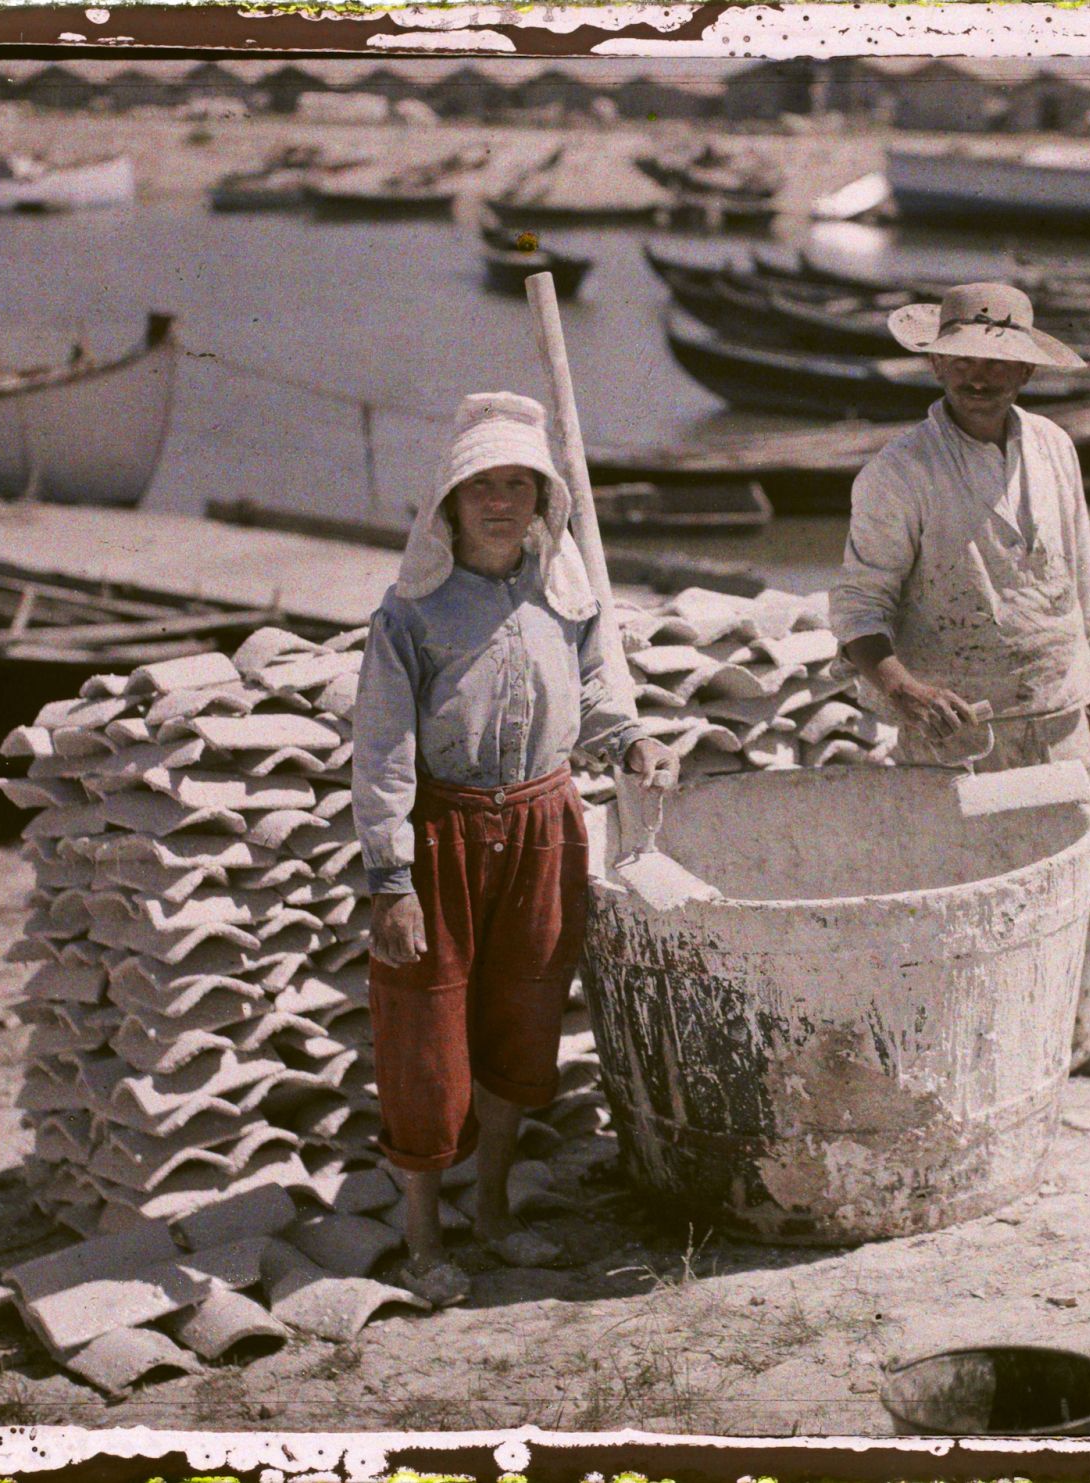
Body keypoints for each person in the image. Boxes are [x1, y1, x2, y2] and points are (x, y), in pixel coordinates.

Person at [353, 391, 680, 1307]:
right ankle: (424, 1239)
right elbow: (381, 746)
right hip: (443, 833)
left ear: (543, 501)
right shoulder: (409, 615)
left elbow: (601, 693)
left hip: (544, 821)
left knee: (523, 1018)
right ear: (449, 503)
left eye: (518, 485)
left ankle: (492, 1213)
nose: (500, 501)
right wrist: (391, 876)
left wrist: (635, 742)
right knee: (425, 1035)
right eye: (480, 485)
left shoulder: (566, 596)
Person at [829, 282, 1090, 1079]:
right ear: (934, 360)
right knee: (967, 891)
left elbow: (1082, 585)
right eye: (964, 357)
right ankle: (974, 1056)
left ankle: (1069, 1045)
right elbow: (860, 607)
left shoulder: (1055, 449)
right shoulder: (898, 473)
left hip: (1059, 705)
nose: (981, 375)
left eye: (1000, 361)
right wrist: (906, 690)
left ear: (1027, 373)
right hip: (959, 727)